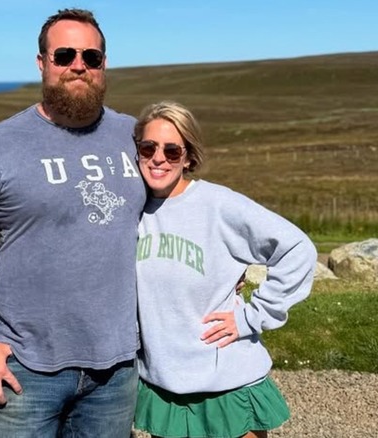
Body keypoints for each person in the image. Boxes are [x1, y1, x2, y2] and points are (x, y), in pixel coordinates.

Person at [0, 9, 145, 437]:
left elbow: (173, 212)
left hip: (117, 370)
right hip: (25, 367)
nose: (78, 65)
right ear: (42, 63)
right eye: (64, 54)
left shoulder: (135, 137)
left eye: (92, 56)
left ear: (104, 64)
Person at [132, 101, 317, 438]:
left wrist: (252, 316)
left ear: (188, 157)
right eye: (148, 147)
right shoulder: (133, 210)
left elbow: (297, 249)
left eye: (172, 151)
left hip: (227, 383)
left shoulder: (218, 205)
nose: (158, 158)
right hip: (165, 385)